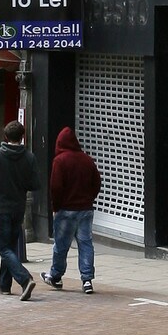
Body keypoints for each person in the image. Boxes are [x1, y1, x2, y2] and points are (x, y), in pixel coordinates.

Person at [0, 119, 39, 300]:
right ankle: (3, 285)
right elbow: (35, 184)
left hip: (1, 208)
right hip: (18, 208)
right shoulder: (29, 157)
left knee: (4, 249)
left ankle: (24, 279)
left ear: (6, 137)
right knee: (10, 249)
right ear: (22, 137)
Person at [41, 126, 101, 294]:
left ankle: (56, 275)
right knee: (86, 243)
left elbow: (56, 186)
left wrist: (56, 206)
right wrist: (89, 198)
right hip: (85, 209)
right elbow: (97, 182)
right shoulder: (87, 160)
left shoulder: (59, 161)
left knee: (61, 245)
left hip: (66, 209)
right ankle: (87, 280)